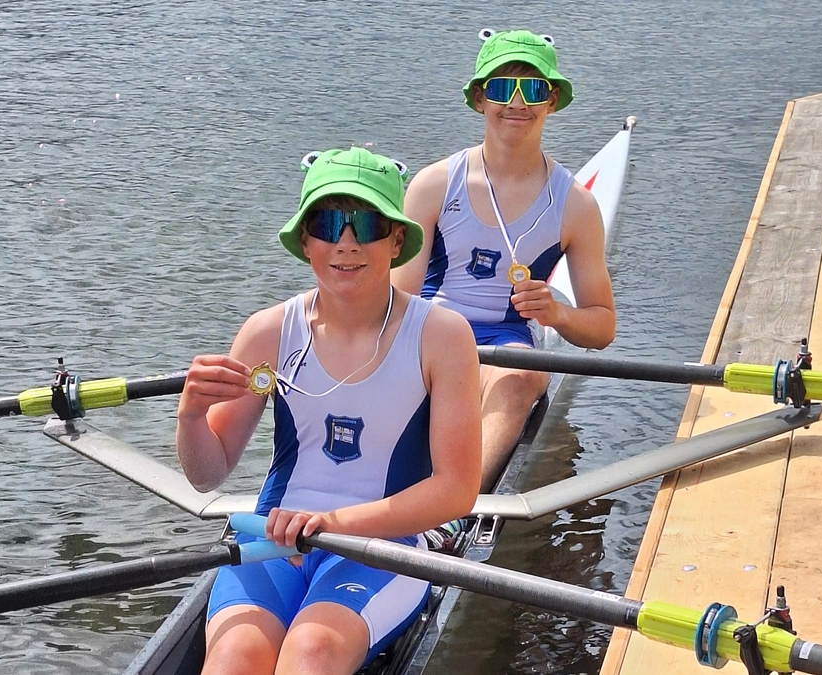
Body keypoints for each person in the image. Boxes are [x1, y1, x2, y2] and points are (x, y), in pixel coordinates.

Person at [175, 147, 481, 675]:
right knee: (231, 661)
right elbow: (207, 475)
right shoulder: (268, 332)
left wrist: (331, 522)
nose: (345, 243)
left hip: (385, 543)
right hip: (271, 536)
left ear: (397, 239)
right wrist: (190, 419)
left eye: (365, 223)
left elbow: (456, 490)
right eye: (327, 222)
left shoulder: (443, 336)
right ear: (305, 240)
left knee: (310, 654)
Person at [392, 29, 616, 492]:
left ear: (551, 101)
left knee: (521, 378)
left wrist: (555, 312)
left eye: (532, 89)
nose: (516, 102)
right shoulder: (433, 185)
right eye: (500, 88)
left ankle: (457, 508)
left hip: (505, 340)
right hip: (432, 328)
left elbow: (602, 328)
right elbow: (396, 302)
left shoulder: (575, 205)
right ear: (479, 99)